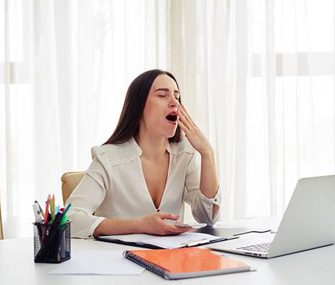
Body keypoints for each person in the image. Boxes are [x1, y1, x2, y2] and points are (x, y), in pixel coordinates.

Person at [66, 69, 220, 238]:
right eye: (162, 95)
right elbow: (70, 219)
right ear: (138, 105)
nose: (174, 102)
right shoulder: (108, 158)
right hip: (118, 260)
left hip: (170, 260)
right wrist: (139, 225)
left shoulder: (185, 154)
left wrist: (207, 153)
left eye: (177, 96)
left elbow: (208, 217)